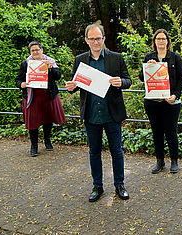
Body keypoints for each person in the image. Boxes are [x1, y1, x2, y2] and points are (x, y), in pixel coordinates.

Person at [65, 23, 132, 202]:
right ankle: (97, 186)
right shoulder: (80, 60)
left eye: (99, 38)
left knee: (116, 151)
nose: (96, 42)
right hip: (92, 114)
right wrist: (71, 87)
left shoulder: (116, 58)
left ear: (104, 39)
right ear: (87, 40)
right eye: (92, 39)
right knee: (94, 152)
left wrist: (121, 82)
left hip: (112, 114)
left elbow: (128, 80)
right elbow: (75, 84)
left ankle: (120, 185)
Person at [139, 29, 182, 174]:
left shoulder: (175, 57)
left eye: (163, 39)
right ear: (154, 41)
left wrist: (176, 95)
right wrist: (149, 67)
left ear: (167, 41)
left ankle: (174, 161)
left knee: (171, 132)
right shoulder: (149, 57)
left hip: (171, 102)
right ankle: (160, 161)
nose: (160, 41)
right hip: (153, 102)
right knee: (156, 132)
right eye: (158, 39)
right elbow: (142, 77)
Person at [15, 41, 66, 157]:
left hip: (48, 96)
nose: (35, 52)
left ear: (41, 50)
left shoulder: (50, 61)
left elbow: (58, 76)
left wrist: (50, 68)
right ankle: (34, 146)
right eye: (32, 51)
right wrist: (22, 84)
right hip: (32, 97)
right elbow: (18, 79)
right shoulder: (25, 64)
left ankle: (47, 141)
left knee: (48, 120)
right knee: (33, 123)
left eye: (37, 50)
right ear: (30, 52)